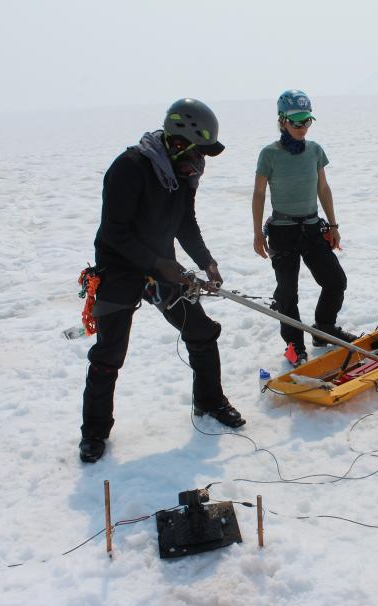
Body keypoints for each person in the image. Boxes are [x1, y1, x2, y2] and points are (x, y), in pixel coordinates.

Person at [79, 98, 245, 464]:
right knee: (109, 353)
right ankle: (93, 432)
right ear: (178, 138)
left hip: (162, 268)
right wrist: (160, 264)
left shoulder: (183, 173)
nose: (200, 160)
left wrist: (206, 261)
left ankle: (209, 400)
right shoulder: (129, 168)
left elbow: (185, 223)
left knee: (201, 331)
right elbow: (115, 231)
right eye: (198, 150)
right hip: (120, 269)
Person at [251, 89, 355, 367]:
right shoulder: (269, 154)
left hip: (312, 227)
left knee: (335, 281)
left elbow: (323, 187)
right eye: (297, 122)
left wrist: (333, 225)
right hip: (283, 232)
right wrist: (257, 233)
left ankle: (324, 329)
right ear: (282, 120)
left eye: (307, 121)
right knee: (287, 292)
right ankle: (294, 344)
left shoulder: (315, 150)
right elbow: (259, 194)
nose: (302, 127)